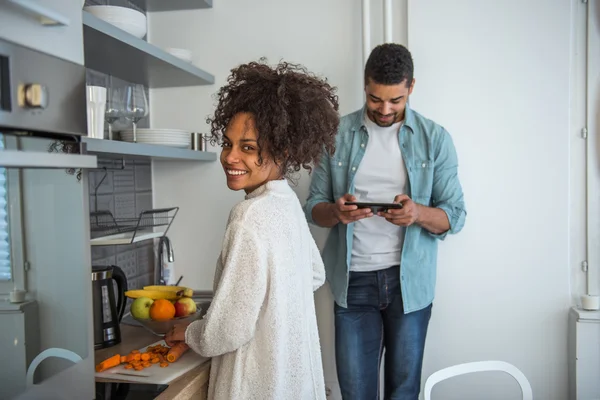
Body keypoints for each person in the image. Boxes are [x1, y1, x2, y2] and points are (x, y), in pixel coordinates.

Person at [165, 60, 340, 400]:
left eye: (248, 148)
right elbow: (314, 273)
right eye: (228, 144)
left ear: (282, 152)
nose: (230, 157)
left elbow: (227, 331)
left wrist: (190, 333)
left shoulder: (249, 216)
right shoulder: (286, 202)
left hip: (258, 384)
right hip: (295, 378)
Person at [304, 43, 466, 399]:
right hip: (353, 281)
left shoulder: (434, 139)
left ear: (411, 87)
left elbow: (454, 216)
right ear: (365, 84)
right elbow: (312, 208)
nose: (385, 109)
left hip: (409, 284)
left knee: (403, 392)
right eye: (377, 99)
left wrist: (416, 213)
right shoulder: (336, 135)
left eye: (396, 100)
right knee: (356, 392)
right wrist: (337, 211)